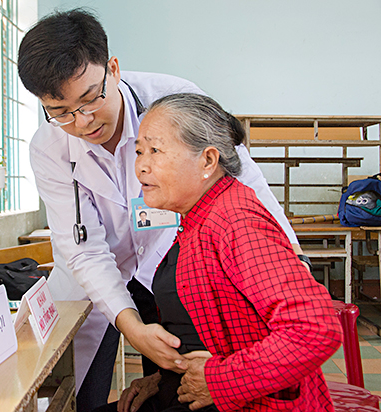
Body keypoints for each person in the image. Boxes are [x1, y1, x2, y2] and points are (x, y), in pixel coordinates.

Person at [17, 9, 310, 411]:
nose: (83, 122)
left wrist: (291, 260)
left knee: (202, 360)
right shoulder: (48, 149)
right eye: (61, 112)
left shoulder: (173, 103)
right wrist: (133, 328)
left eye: (90, 99)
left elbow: (247, 181)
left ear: (113, 69)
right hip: (102, 277)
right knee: (87, 389)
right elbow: (83, 249)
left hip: (175, 260)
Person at [95, 93, 342, 412]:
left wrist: (219, 380)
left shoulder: (235, 222)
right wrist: (164, 379)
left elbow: (314, 327)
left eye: (155, 151)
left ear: (208, 161)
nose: (141, 166)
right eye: (139, 151)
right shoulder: (198, 219)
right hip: (186, 389)